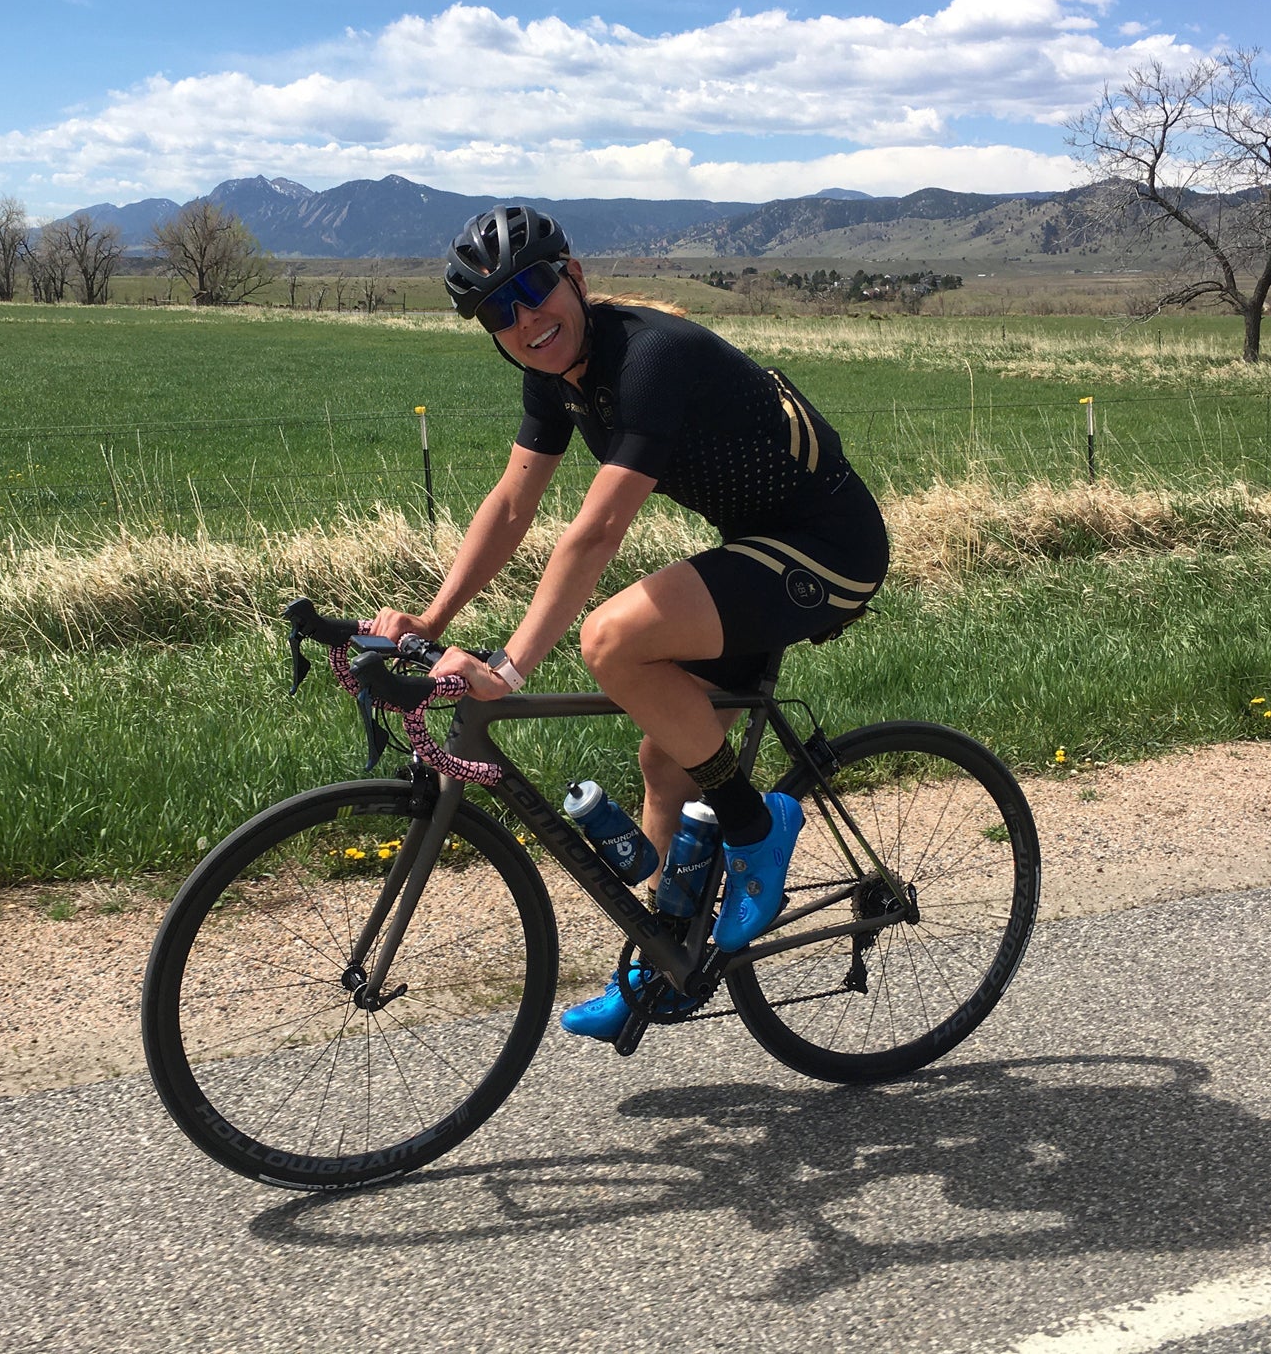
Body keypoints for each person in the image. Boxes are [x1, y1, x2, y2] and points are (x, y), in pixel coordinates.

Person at [370, 206, 889, 1040]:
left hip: (829, 548)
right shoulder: (553, 372)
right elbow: (511, 505)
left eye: (534, 289)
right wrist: (427, 618)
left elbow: (597, 531)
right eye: (499, 311)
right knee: (665, 758)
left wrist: (509, 666)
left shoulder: (653, 357)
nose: (526, 319)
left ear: (573, 276)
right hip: (759, 545)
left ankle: (761, 830)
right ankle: (665, 967)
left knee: (610, 639)